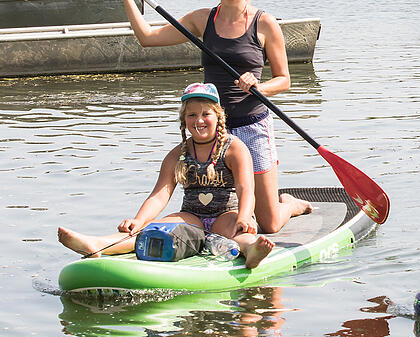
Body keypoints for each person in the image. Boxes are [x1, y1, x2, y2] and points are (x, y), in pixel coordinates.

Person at [105, 0, 311, 234]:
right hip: (211, 130)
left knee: (271, 224)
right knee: (216, 207)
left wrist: (258, 87)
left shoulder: (264, 23)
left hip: (252, 126)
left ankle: (289, 203)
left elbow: (284, 79)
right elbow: (147, 38)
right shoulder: (201, 20)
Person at [58, 83, 275, 269]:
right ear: (184, 120)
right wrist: (139, 220)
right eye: (192, 115)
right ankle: (98, 244)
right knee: (151, 231)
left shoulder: (234, 148)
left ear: (218, 116)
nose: (199, 121)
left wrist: (245, 217)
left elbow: (245, 188)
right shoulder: (177, 154)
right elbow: (160, 195)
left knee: (237, 233)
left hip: (227, 214)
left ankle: (251, 251)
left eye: (205, 114)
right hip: (192, 216)